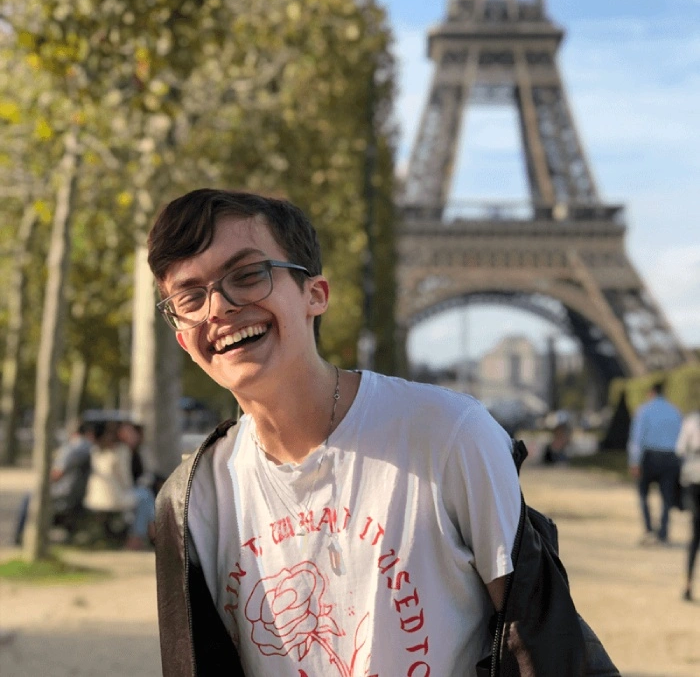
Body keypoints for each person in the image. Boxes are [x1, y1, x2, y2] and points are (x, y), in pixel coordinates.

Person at [148, 189, 617, 676]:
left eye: (248, 275)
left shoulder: (450, 436)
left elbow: (540, 648)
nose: (219, 307)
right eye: (190, 296)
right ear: (182, 336)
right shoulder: (193, 500)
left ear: (316, 294)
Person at [14, 420, 97, 545]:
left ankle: (20, 537)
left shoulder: (73, 448)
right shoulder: (91, 448)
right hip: (79, 495)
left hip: (65, 494)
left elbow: (57, 473)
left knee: (29, 498)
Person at [83, 421, 156, 550]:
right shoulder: (122, 451)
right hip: (114, 497)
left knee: (145, 497)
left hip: (93, 497)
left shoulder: (97, 449)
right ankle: (141, 536)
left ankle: (147, 533)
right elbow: (125, 480)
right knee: (145, 496)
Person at [627, 382, 683, 545]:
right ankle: (663, 532)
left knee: (644, 494)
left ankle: (649, 529)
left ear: (651, 392)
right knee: (666, 497)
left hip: (650, 457)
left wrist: (634, 461)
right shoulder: (675, 411)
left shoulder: (644, 410)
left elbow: (637, 439)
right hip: (671, 457)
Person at [676, 409, 700, 601]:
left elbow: (680, 449)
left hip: (694, 481)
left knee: (695, 535)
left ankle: (688, 584)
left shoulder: (692, 421)